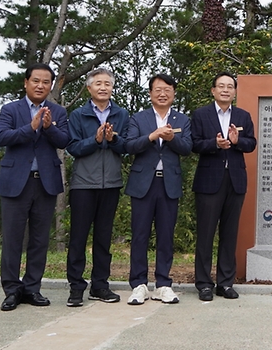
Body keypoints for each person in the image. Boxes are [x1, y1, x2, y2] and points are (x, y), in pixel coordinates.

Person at [0, 63, 70, 311]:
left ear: (51, 86)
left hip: (45, 182)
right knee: (13, 240)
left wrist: (48, 128)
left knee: (39, 240)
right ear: (26, 83)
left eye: (46, 82)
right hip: (16, 182)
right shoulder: (11, 109)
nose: (40, 85)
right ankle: (11, 290)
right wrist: (32, 127)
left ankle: (32, 288)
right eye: (36, 81)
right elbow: (2, 137)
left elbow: (65, 141)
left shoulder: (57, 111)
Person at [123, 73, 193, 306]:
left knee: (166, 235)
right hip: (143, 184)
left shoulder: (182, 119)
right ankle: (138, 284)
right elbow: (130, 146)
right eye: (158, 89)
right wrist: (153, 135)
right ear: (151, 93)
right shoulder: (139, 118)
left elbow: (188, 148)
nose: (162, 94)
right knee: (140, 235)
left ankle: (163, 284)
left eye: (167, 90)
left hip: (169, 184)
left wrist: (172, 138)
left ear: (174, 94)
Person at [65, 67, 128, 307]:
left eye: (107, 84)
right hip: (83, 184)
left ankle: (100, 285)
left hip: (110, 183)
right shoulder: (78, 115)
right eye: (98, 83)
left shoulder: (121, 114)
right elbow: (73, 147)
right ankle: (76, 287)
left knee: (104, 238)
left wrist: (112, 139)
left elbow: (126, 147)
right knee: (79, 238)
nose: (103, 87)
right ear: (89, 88)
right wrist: (96, 140)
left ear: (112, 88)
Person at [192, 72, 256, 301]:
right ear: (213, 90)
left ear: (235, 92)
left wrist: (238, 141)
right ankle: (204, 284)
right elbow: (194, 143)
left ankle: (225, 283)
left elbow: (252, 143)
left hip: (235, 181)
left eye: (230, 86)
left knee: (229, 234)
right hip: (209, 181)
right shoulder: (201, 114)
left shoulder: (243, 116)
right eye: (221, 86)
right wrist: (214, 144)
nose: (226, 90)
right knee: (206, 234)